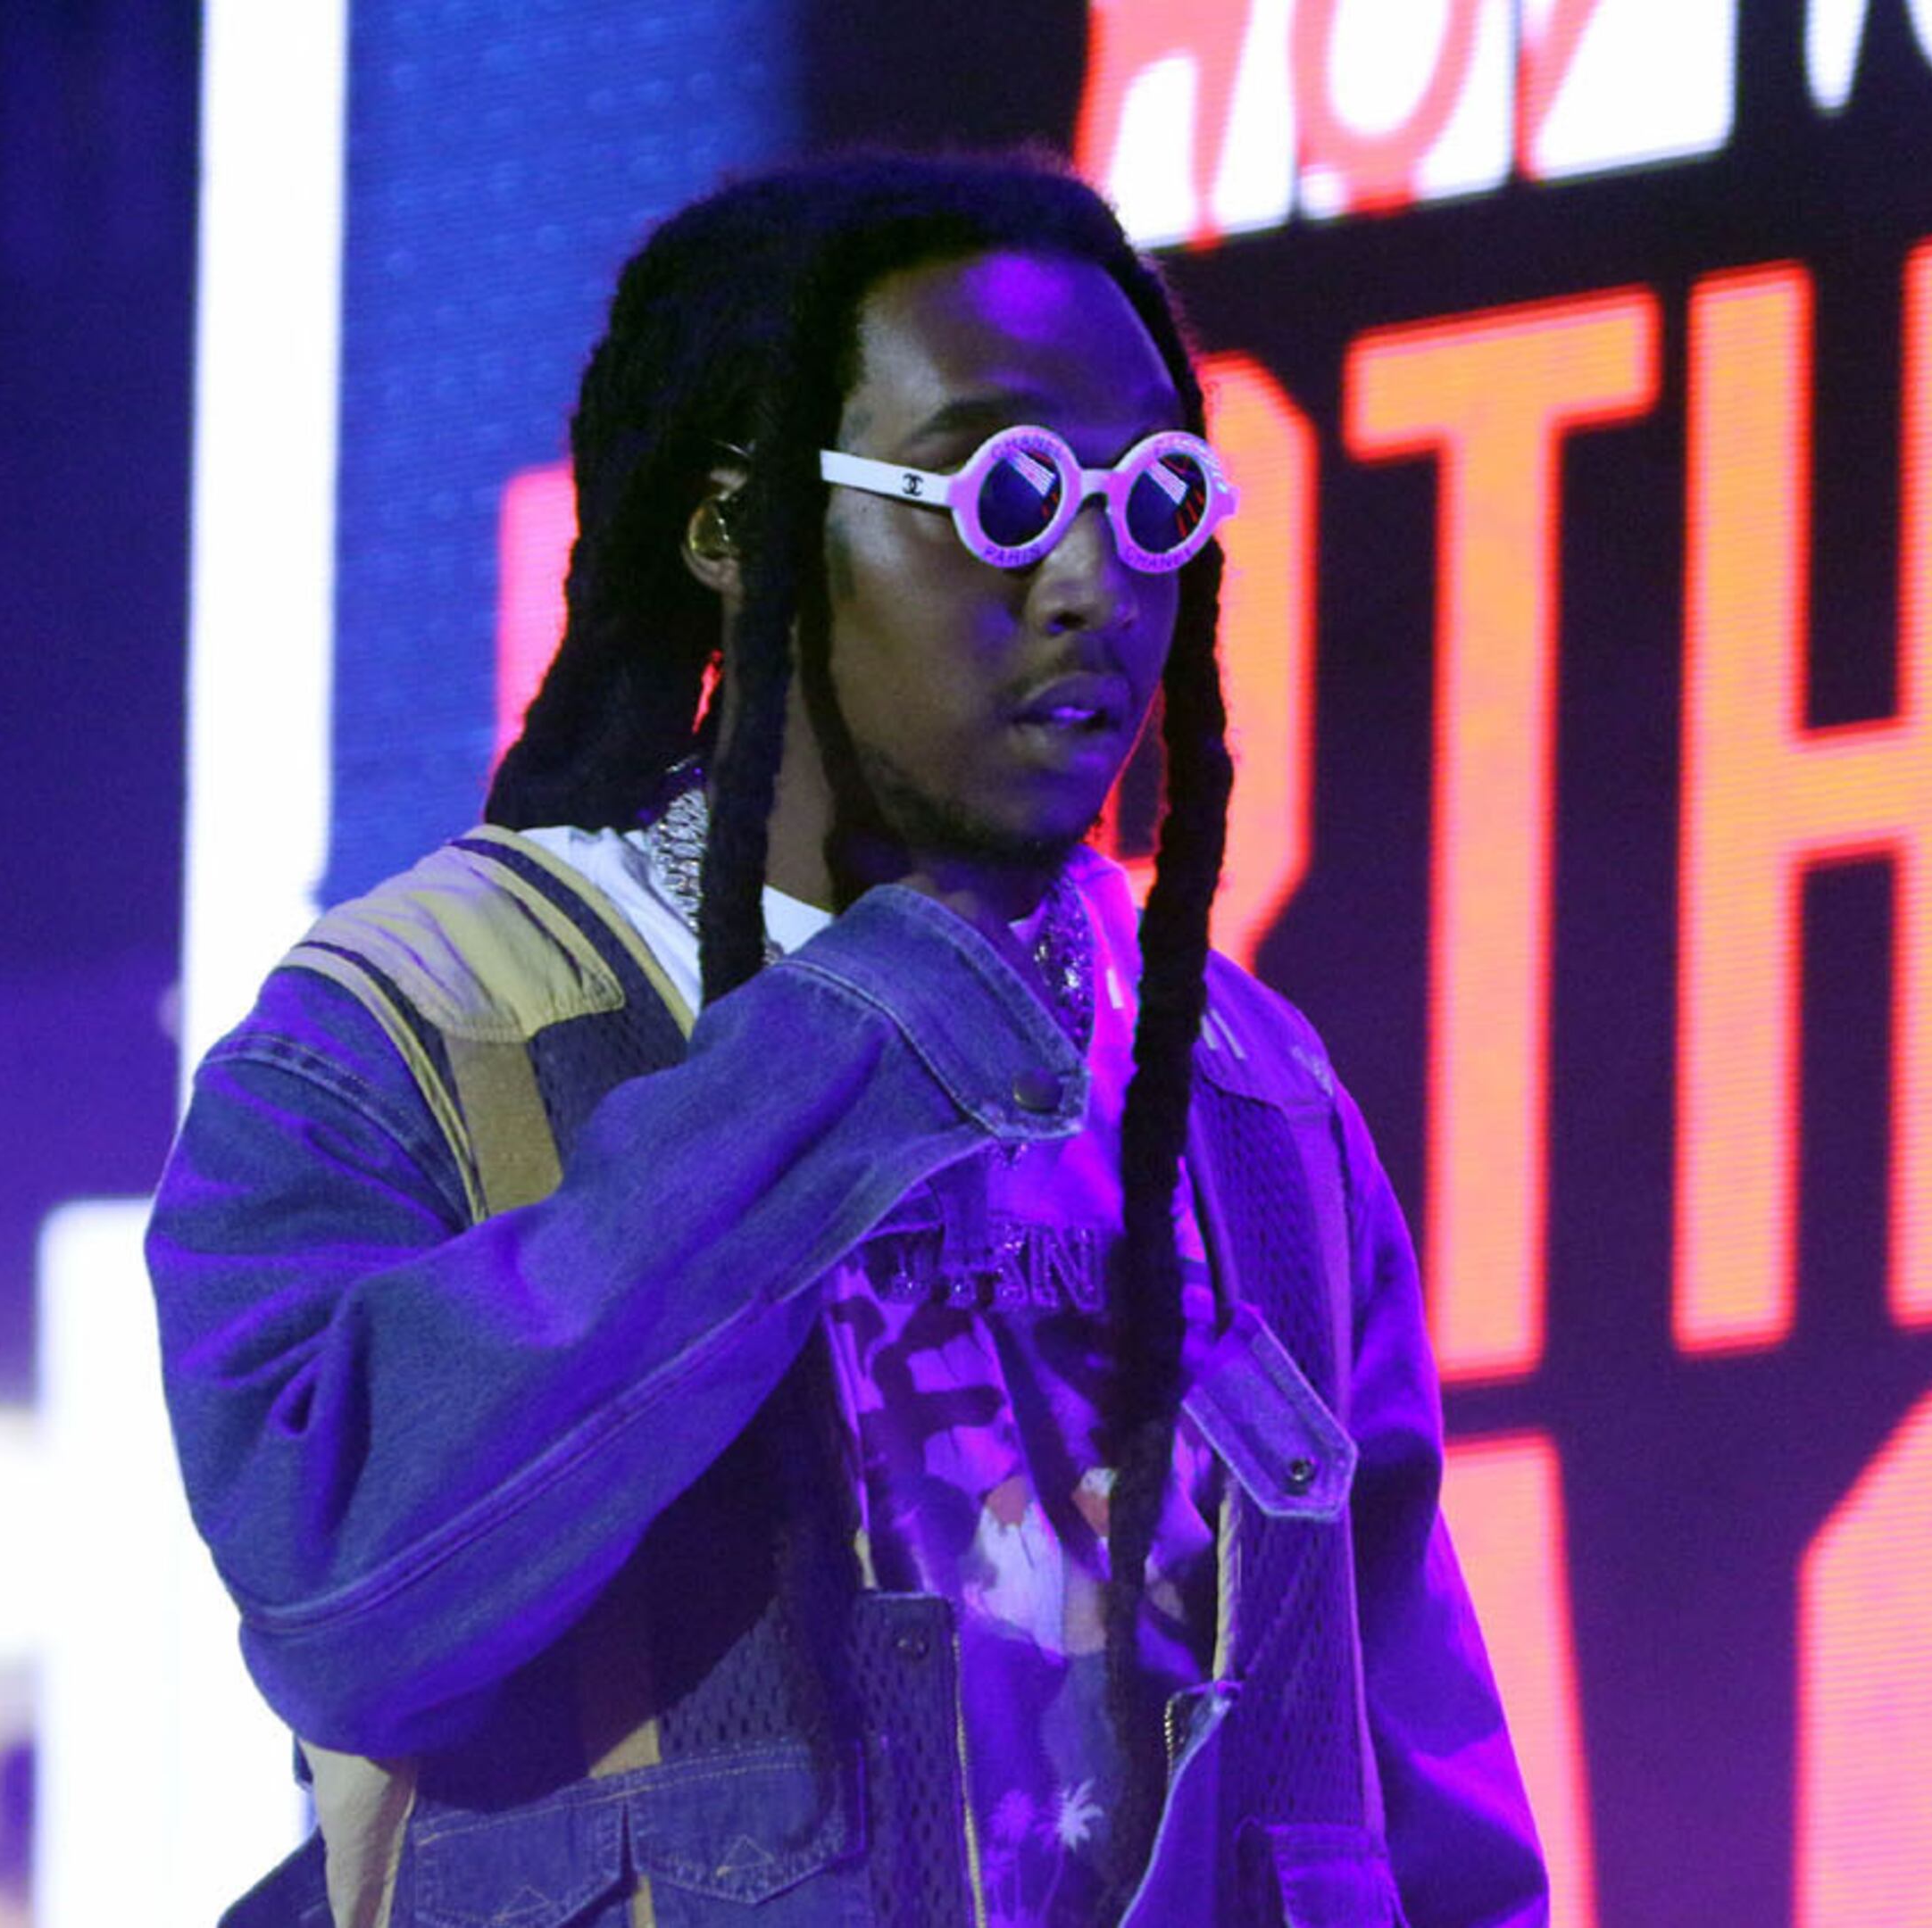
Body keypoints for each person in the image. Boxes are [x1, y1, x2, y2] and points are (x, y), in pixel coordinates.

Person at [147, 152, 1546, 1928]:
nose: (1092, 580)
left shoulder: (1245, 1094)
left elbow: (1425, 1820)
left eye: (1154, 496)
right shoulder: (410, 1032)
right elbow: (348, 1599)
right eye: (1005, 490)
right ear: (740, 531)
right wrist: (853, 1044)